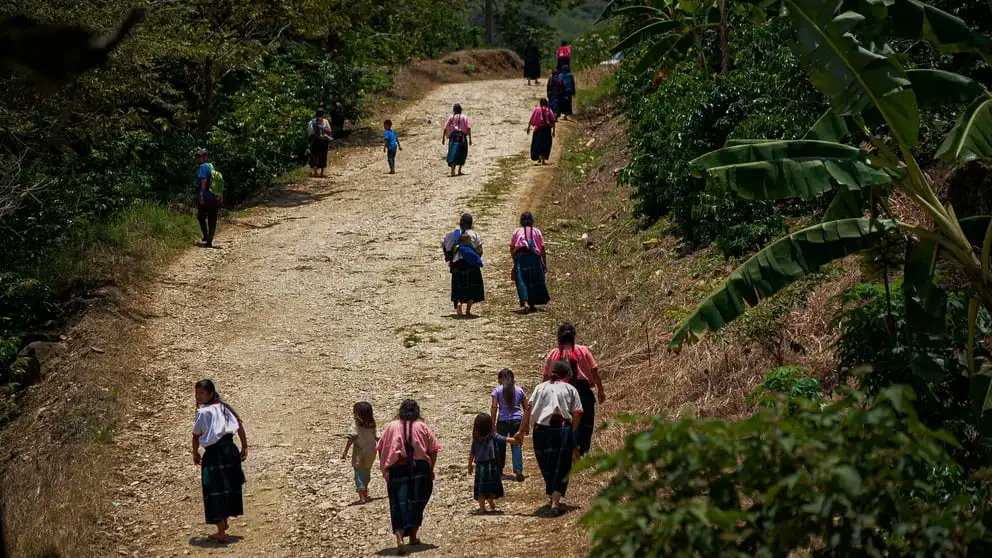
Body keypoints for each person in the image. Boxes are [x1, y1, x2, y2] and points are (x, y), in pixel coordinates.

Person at [376, 400, 440, 556]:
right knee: (418, 501)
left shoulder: (391, 426)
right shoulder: (422, 426)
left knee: (397, 503)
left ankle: (400, 538)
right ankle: (412, 534)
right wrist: (430, 469)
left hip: (397, 469)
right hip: (419, 468)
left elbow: (381, 448)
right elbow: (434, 449)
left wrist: (385, 467)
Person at [520, 360, 583, 516]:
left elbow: (528, 408)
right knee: (562, 465)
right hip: (561, 427)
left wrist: (521, 430)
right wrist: (571, 434)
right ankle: (555, 500)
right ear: (568, 375)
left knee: (546, 463)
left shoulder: (540, 387)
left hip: (540, 430)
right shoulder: (570, 389)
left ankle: (552, 497)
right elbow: (578, 413)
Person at [191, 379, 248, 543]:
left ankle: (221, 530)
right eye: (197, 393)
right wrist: (244, 446)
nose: (198, 396)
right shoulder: (224, 407)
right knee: (228, 486)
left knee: (213, 489)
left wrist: (195, 453)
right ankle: (223, 524)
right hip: (230, 451)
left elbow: (196, 436)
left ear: (210, 393)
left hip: (215, 454)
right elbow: (239, 425)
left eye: (201, 393)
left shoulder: (203, 413)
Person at [543, 322, 605, 456]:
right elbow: (594, 372)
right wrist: (601, 390)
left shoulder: (553, 354)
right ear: (574, 336)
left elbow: (546, 378)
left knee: (563, 422)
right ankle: (582, 452)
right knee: (586, 423)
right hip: (583, 391)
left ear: (558, 337)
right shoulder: (583, 350)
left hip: (558, 392)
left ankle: (567, 451)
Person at [468, 413, 523, 513]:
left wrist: (469, 466)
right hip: (491, 465)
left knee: (481, 488)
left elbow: (472, 453)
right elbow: (505, 439)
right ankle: (489, 500)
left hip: (480, 466)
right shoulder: (492, 436)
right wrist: (516, 441)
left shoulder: (476, 438)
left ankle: (482, 508)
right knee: (490, 485)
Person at [441, 213, 485, 317]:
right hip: (471, 264)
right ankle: (468, 310)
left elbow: (446, 247)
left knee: (459, 286)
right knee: (473, 287)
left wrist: (450, 261)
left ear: (460, 223)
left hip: (458, 264)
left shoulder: (453, 235)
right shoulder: (474, 234)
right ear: (471, 223)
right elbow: (480, 251)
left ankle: (459, 303)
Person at [490, 368, 529, 481]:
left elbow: (494, 408)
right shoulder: (519, 390)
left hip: (502, 420)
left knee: (500, 445)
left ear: (500, 379)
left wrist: (492, 423)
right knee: (517, 444)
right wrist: (526, 425)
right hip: (517, 420)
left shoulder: (497, 391)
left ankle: (499, 470)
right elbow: (526, 408)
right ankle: (518, 469)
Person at [510, 212, 550, 312]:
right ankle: (532, 304)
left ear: (521, 221)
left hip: (521, 257)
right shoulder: (537, 231)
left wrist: (515, 260)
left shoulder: (517, 231)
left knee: (522, 280)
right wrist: (544, 263)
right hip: (534, 258)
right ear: (532, 221)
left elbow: (512, 247)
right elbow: (542, 249)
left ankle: (525, 303)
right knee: (534, 280)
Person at [342, 401, 378, 505]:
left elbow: (351, 438)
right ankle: (365, 490)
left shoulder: (356, 424)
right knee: (367, 470)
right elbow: (377, 436)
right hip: (372, 451)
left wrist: (345, 452)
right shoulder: (372, 424)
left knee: (358, 473)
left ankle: (362, 496)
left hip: (360, 453)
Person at [193, 148, 222, 248]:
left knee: (201, 217)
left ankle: (206, 236)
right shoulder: (211, 166)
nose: (198, 158)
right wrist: (219, 193)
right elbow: (217, 180)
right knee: (212, 220)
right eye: (197, 156)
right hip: (214, 197)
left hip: (206, 197)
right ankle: (209, 241)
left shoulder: (203, 167)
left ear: (205, 157)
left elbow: (204, 181)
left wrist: (201, 195)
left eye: (200, 156)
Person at [442, 103, 472, 177]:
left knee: (453, 152)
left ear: (453, 110)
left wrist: (443, 138)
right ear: (461, 110)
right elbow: (468, 127)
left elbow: (445, 127)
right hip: (462, 137)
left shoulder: (451, 117)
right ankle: (459, 170)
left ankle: (452, 169)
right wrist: (470, 138)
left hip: (453, 137)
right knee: (463, 152)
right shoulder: (464, 117)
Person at [527, 99, 556, 165]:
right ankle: (543, 160)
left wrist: (528, 128)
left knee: (537, 144)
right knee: (546, 145)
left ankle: (539, 157)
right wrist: (553, 131)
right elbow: (553, 121)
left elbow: (531, 119)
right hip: (547, 130)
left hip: (538, 129)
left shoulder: (536, 109)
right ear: (546, 103)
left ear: (540, 103)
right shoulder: (549, 110)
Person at [307, 108, 333, 177]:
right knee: (323, 156)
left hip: (315, 141)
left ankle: (315, 171)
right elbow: (330, 130)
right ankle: (322, 172)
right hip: (324, 141)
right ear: (323, 115)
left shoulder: (311, 122)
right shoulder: (325, 121)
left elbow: (310, 132)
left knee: (314, 155)